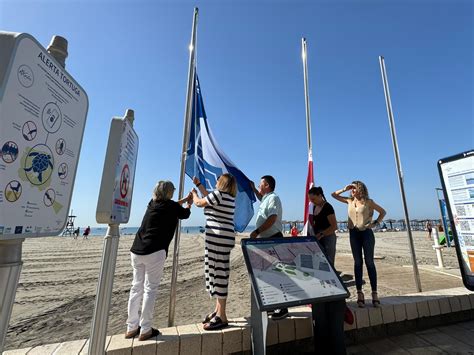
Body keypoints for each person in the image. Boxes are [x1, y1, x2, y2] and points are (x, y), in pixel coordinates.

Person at [125, 181, 192, 341]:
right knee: (150, 289)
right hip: (155, 251)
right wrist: (189, 204)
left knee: (136, 289)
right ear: (169, 192)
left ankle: (131, 328)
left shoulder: (152, 203)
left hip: (137, 249)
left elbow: (172, 205)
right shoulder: (171, 207)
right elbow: (185, 214)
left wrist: (183, 201)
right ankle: (145, 329)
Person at [192, 173, 237, 331]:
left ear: (223, 182)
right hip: (222, 238)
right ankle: (218, 310)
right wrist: (198, 185)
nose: (216, 181)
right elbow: (209, 197)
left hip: (218, 239)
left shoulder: (219, 195)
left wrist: (194, 194)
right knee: (219, 272)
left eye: (218, 179)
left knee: (219, 274)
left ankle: (222, 316)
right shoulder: (226, 197)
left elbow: (200, 202)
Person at [332, 181, 386, 308]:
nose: (352, 190)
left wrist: (376, 223)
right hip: (353, 234)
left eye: (354, 188)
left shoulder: (369, 202)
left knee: (369, 262)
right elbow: (333, 195)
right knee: (357, 263)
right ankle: (360, 293)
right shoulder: (349, 201)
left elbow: (383, 212)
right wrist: (344, 189)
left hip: (366, 233)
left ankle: (374, 293)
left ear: (360, 189)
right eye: (351, 189)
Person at [250, 175, 288, 320]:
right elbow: (260, 197)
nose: (260, 187)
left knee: (278, 273)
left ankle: (283, 307)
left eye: (261, 184)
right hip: (266, 240)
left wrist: (257, 231)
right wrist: (253, 188)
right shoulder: (266, 198)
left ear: (267, 186)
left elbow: (272, 218)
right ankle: (275, 305)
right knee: (269, 274)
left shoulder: (273, 198)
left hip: (273, 239)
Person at [308, 186, 338, 267]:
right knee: (318, 262)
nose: (312, 201)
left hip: (328, 237)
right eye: (310, 200)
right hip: (318, 237)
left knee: (329, 262)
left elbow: (334, 226)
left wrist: (322, 234)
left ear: (320, 196)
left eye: (313, 199)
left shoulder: (327, 207)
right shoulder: (314, 207)